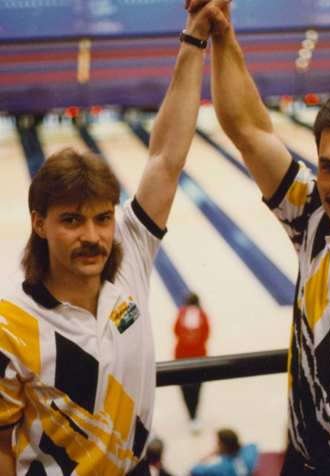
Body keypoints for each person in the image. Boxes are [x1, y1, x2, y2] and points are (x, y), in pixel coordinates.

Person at [184, 1, 330, 474]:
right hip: (300, 460)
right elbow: (249, 130)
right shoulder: (314, 216)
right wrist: (223, 34)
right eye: (329, 166)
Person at [0, 4, 228, 475]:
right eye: (71, 221)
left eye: (103, 218)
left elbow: (166, 156)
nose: (93, 236)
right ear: (39, 223)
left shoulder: (129, 256)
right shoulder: (9, 327)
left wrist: (195, 35)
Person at [174, 292, 211, 432]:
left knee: (185, 389)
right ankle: (194, 415)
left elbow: (176, 331)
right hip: (199, 357)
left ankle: (191, 415)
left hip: (181, 357)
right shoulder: (203, 315)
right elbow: (207, 333)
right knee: (197, 389)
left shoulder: (181, 314)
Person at [190, 429, 258, 476]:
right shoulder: (250, 455)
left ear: (222, 446)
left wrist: (209, 456)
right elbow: (252, 445)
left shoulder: (221, 468)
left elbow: (195, 470)